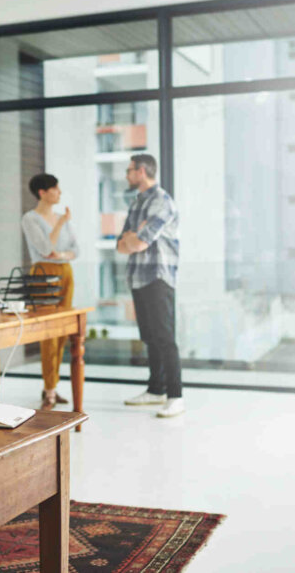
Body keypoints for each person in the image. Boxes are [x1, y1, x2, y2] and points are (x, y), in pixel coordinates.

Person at [117, 154, 183, 418]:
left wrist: (134, 237)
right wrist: (133, 236)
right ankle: (155, 390)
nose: (127, 175)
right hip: (137, 276)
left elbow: (139, 243)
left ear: (141, 171)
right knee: (150, 337)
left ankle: (175, 396)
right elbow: (121, 245)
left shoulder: (162, 202)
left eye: (129, 170)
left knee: (165, 338)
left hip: (158, 277)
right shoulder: (137, 203)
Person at [21, 173, 79, 411]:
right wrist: (61, 225)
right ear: (43, 192)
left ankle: (52, 386)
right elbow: (46, 249)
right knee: (48, 333)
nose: (59, 192)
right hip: (43, 273)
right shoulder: (30, 219)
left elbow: (75, 249)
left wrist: (63, 255)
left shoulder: (60, 217)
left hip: (65, 272)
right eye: (55, 188)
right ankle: (50, 390)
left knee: (62, 332)